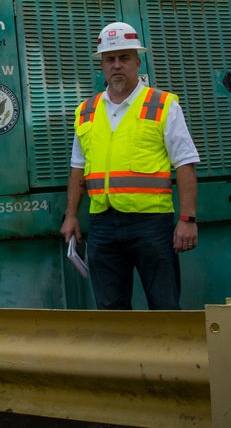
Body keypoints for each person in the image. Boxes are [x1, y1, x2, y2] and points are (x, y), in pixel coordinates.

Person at [60, 21, 200, 310]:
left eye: (124, 58)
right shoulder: (86, 110)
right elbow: (78, 168)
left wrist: (187, 219)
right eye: (110, 59)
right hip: (101, 224)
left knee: (164, 306)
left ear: (137, 61)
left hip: (151, 224)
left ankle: (168, 356)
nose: (117, 65)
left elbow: (185, 164)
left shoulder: (162, 104)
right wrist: (71, 215)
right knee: (111, 310)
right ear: (101, 65)